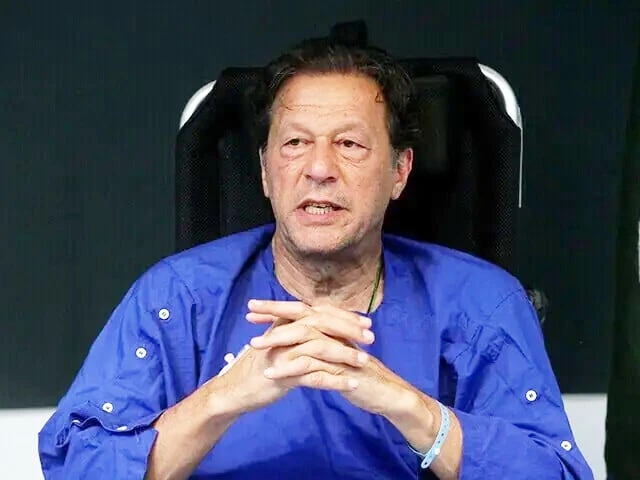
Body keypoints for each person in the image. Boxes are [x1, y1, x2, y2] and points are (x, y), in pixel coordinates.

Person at [38, 37, 593, 480]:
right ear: (265, 172)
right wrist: (221, 399)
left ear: (399, 172)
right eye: (295, 144)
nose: (319, 169)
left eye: (349, 144)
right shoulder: (177, 297)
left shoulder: (481, 302)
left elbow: (556, 472)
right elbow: (76, 463)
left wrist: (409, 407)